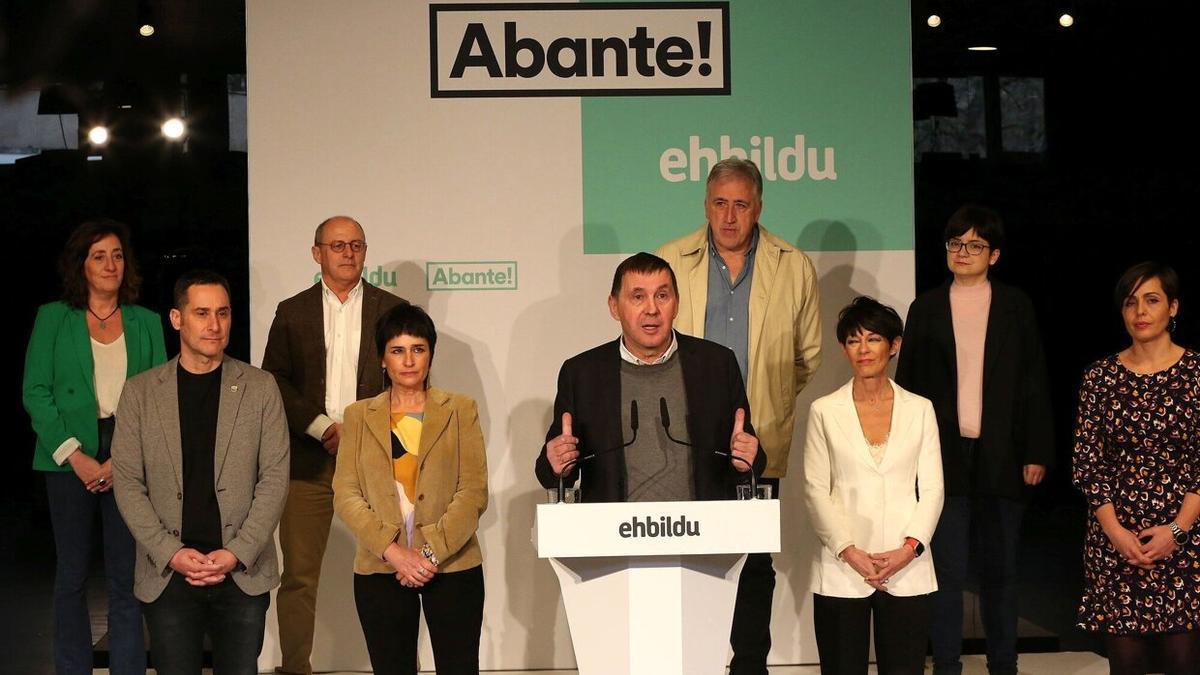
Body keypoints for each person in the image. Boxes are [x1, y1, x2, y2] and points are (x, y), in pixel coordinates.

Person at [657, 157, 822, 673]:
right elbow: (650, 345)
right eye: (720, 203)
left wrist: (762, 406)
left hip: (756, 441)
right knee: (685, 560)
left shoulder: (792, 264)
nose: (729, 217)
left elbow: (806, 357)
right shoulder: (670, 261)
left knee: (753, 566)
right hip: (680, 442)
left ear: (759, 207)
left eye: (741, 205)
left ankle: (748, 666)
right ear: (706, 205)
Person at [895, 205, 1054, 675]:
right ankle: (946, 664)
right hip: (942, 457)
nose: (963, 253)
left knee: (1000, 571)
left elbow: (1034, 381)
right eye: (955, 244)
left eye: (975, 245)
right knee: (944, 571)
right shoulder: (925, 307)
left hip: (1003, 455)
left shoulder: (1015, 306)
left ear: (995, 254)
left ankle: (1004, 663)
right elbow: (905, 387)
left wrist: (1036, 451)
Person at [111, 270, 290, 675]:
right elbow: (127, 482)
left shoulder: (260, 388)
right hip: (168, 573)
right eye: (202, 313)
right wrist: (170, 552)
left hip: (241, 572)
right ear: (177, 319)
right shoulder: (140, 393)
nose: (215, 325)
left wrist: (236, 552)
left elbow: (275, 479)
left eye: (223, 314)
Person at [261, 215, 404, 675]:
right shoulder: (292, 311)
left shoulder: (393, 309)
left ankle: (396, 664)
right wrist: (322, 427)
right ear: (316, 253)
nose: (348, 253)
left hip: (377, 463)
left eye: (357, 244)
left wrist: (360, 430)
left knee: (391, 570)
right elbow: (273, 382)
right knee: (299, 577)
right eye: (338, 245)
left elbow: (410, 381)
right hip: (308, 461)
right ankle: (294, 668)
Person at [22, 218, 166, 675]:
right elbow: (36, 392)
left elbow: (158, 397)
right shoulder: (53, 317)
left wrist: (118, 459)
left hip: (128, 451)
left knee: (127, 578)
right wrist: (76, 456)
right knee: (71, 575)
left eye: (117, 255)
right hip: (69, 453)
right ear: (80, 264)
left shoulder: (146, 322)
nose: (110, 264)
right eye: (99, 255)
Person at [333, 303, 488, 675]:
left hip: (452, 565)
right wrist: (395, 553)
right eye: (397, 350)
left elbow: (473, 491)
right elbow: (346, 493)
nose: (408, 360)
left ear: (430, 354)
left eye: (418, 349)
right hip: (380, 565)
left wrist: (429, 555)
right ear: (382, 358)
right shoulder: (357, 416)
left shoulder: (460, 409)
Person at [535, 252, 764, 503]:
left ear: (676, 304)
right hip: (614, 536)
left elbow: (748, 457)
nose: (652, 309)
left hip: (702, 534)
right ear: (614, 307)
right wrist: (558, 465)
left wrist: (746, 461)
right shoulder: (582, 374)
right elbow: (553, 473)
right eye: (638, 297)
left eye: (662, 296)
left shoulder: (716, 365)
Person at [804, 297, 944, 675]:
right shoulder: (824, 411)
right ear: (844, 348)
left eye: (873, 339)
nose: (863, 350)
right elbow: (816, 490)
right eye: (853, 340)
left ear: (894, 345)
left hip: (905, 566)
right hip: (843, 566)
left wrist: (909, 549)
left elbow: (932, 488)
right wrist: (849, 551)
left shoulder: (920, 409)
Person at [1072, 262, 1199, 675]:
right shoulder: (1100, 377)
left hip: (1185, 540)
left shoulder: (1197, 373)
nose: (1140, 311)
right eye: (1131, 302)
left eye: (1152, 300)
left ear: (1173, 308)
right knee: (1125, 666)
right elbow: (1088, 462)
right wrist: (1115, 533)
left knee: (1183, 660)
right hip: (1116, 539)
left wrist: (1177, 531)